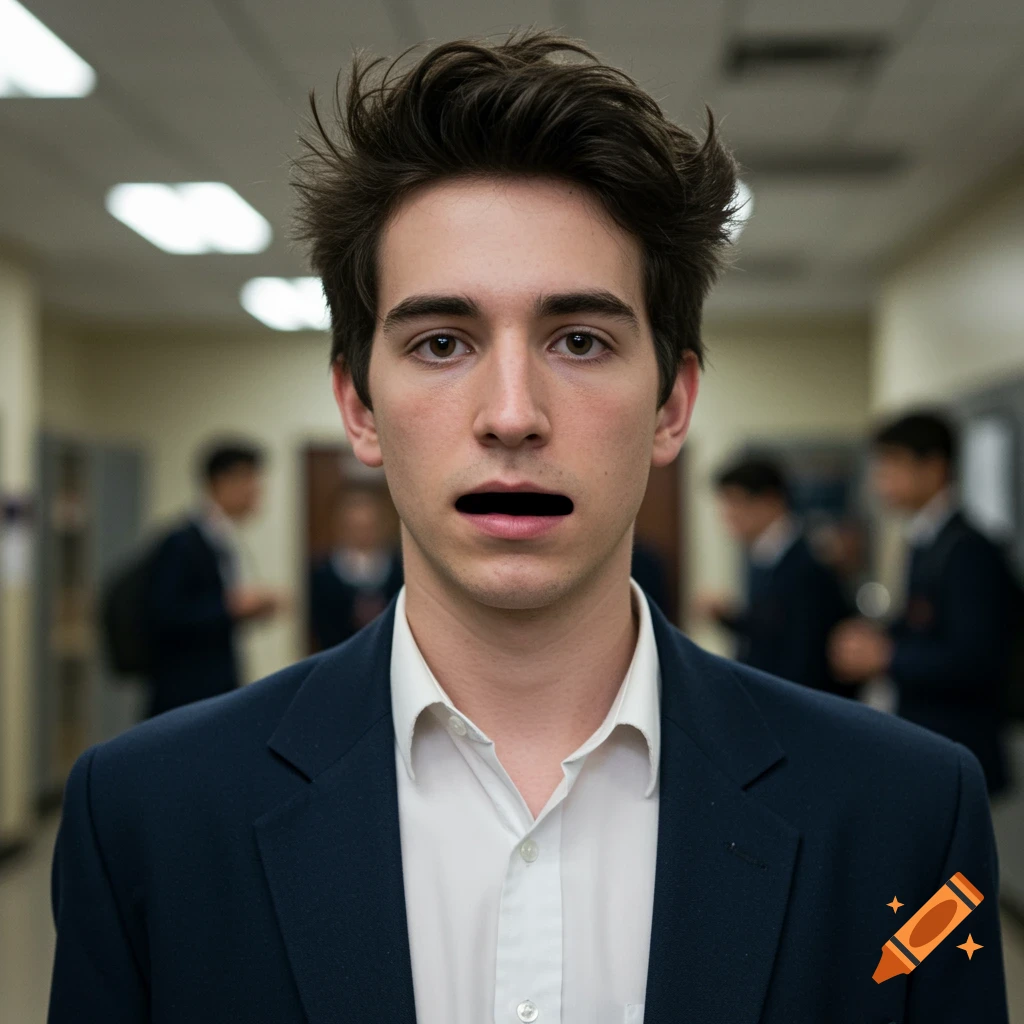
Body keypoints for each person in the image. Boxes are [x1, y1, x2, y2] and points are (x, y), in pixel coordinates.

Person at [49, 33, 1007, 1023]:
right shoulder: (148, 815)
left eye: (580, 340)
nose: (512, 412)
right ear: (359, 407)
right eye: (441, 341)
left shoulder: (902, 816)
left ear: (672, 405)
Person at [831, 411, 1013, 797]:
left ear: (933, 468)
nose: (881, 481)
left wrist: (886, 657)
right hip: (929, 742)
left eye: (892, 466)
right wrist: (877, 638)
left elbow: (976, 657)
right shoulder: (925, 540)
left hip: (963, 748)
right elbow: (920, 622)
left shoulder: (968, 549)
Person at [142, 440, 285, 717]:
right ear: (222, 482)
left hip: (214, 688)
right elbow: (163, 615)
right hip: (185, 696)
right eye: (249, 480)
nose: (257, 491)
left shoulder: (222, 538)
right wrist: (231, 607)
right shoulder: (183, 542)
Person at [696, 456, 856, 698]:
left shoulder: (808, 563)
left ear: (770, 501)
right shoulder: (763, 555)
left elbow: (803, 656)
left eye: (735, 502)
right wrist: (730, 617)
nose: (727, 515)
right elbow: (767, 629)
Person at [308, 485, 403, 650]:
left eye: (369, 527)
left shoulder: (401, 569)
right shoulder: (322, 573)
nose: (363, 535)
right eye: (356, 528)